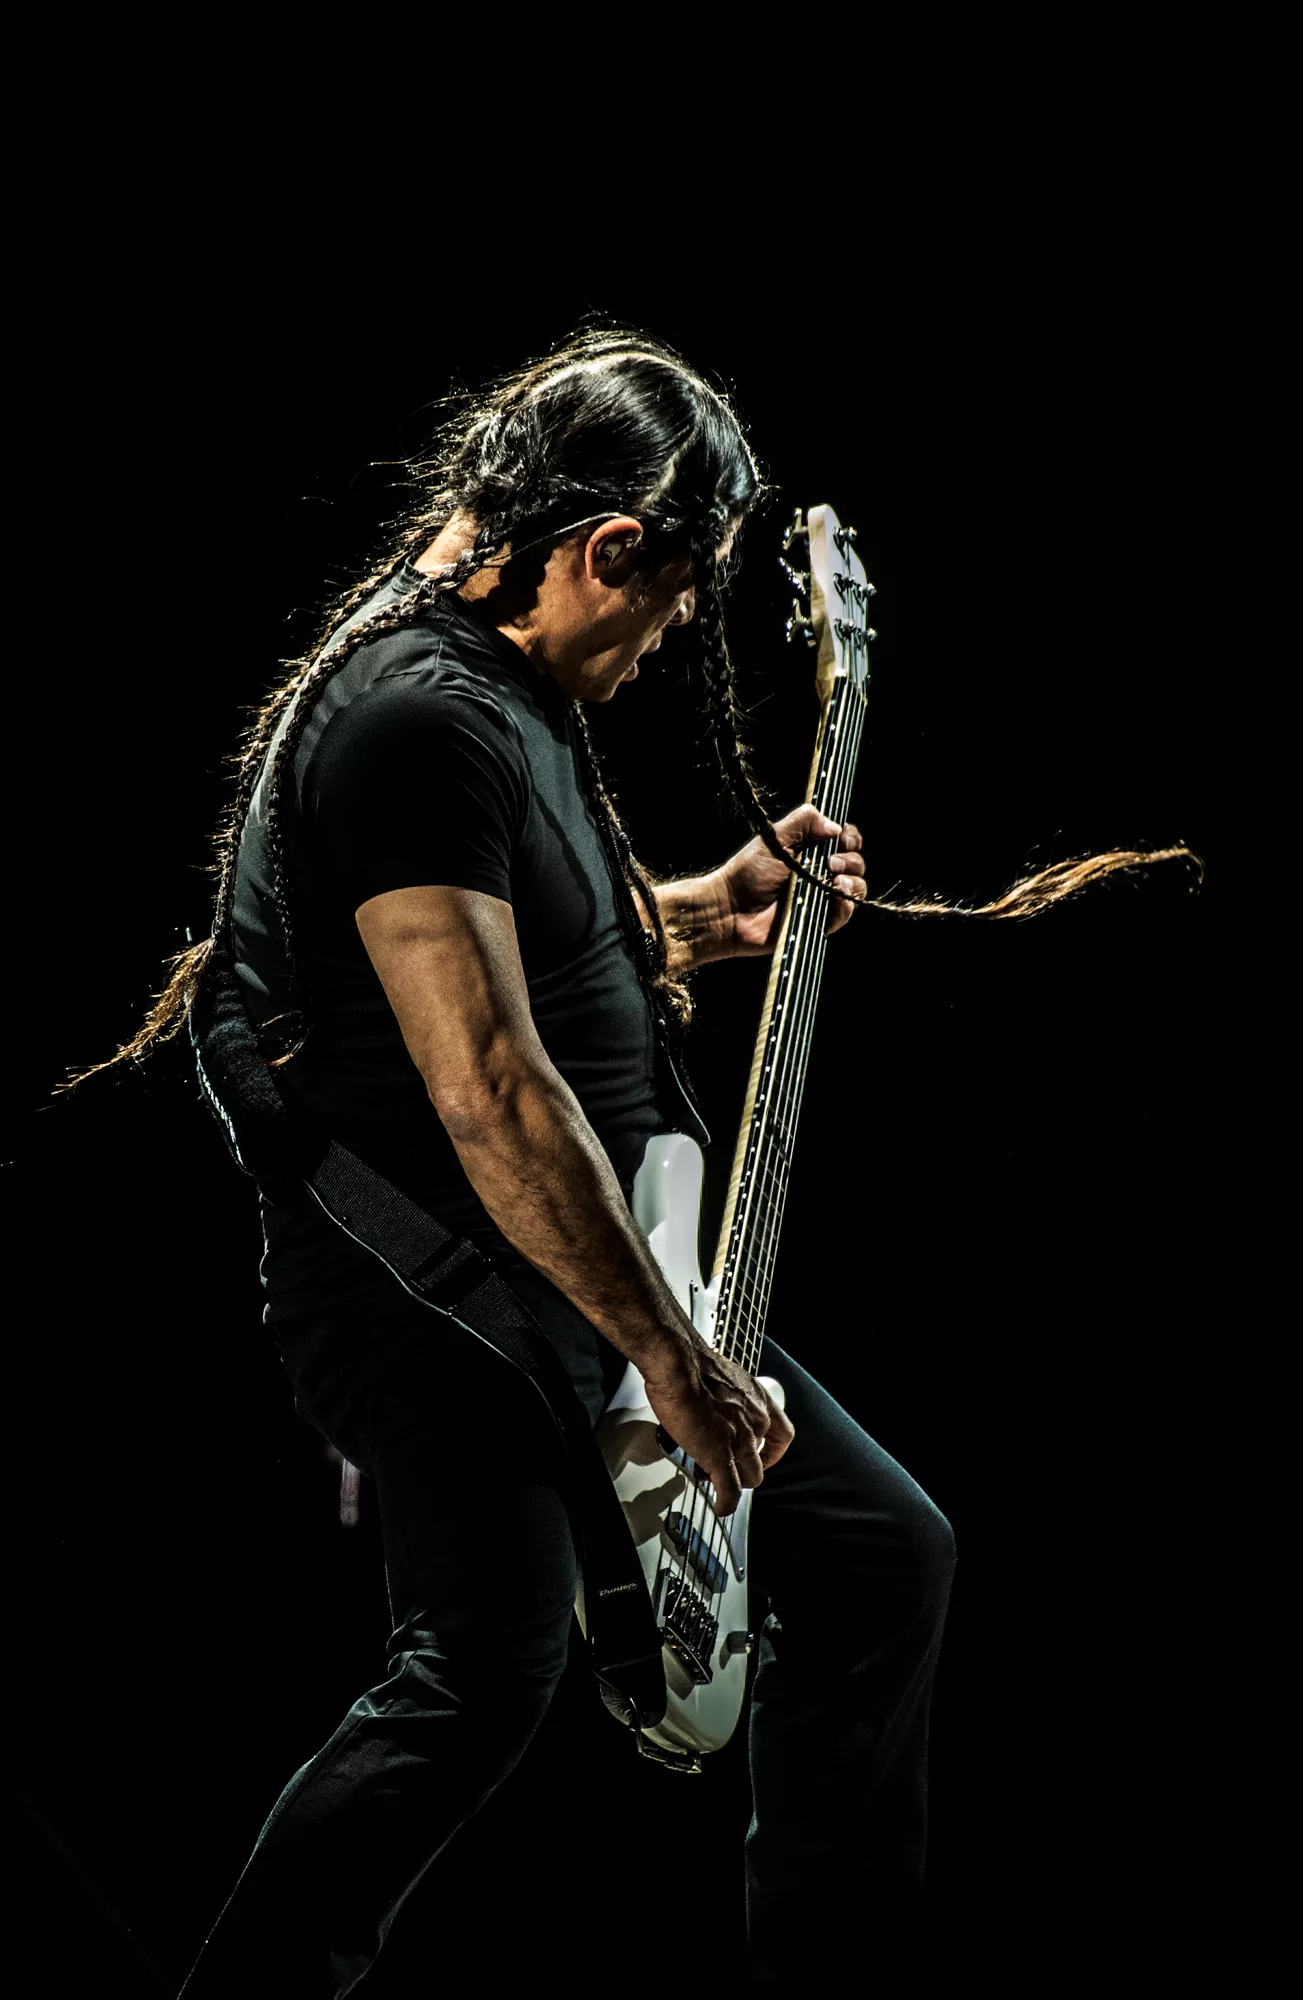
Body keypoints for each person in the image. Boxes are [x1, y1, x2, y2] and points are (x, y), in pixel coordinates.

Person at [78, 329, 1181, 1994]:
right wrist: (674, 1356)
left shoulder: (496, 690)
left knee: (881, 1553)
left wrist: (703, 914)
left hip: (588, 1267)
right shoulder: (409, 719)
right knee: (479, 1674)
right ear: (608, 548)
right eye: (673, 602)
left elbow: (519, 953)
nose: (670, 642)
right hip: (444, 1292)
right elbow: (488, 1085)